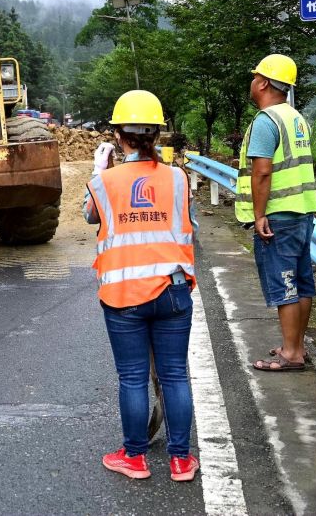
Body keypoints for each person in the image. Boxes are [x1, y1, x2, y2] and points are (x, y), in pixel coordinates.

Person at [83, 90, 199, 482]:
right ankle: (181, 460)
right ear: (157, 134)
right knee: (174, 375)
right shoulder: (178, 178)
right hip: (174, 289)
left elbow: (89, 217)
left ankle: (134, 458)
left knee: (132, 377)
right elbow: (188, 220)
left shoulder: (104, 182)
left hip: (123, 295)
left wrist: (101, 172)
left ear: (119, 135)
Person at [236, 54, 316, 372]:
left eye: (255, 76)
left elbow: (262, 172)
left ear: (263, 83)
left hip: (278, 217)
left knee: (284, 283)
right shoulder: (296, 118)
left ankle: (291, 354)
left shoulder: (266, 121)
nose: (252, 81)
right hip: (302, 213)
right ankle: (295, 345)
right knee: (301, 282)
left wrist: (258, 215)